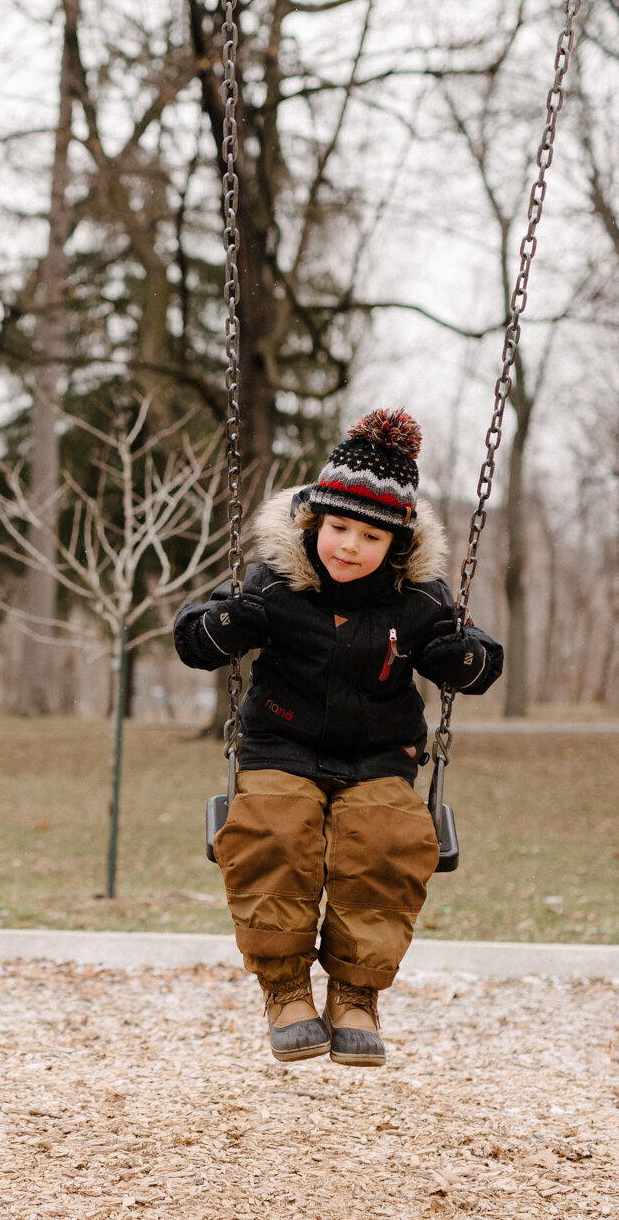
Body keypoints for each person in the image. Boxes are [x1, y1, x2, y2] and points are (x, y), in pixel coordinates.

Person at [174, 409, 501, 1066]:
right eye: (339, 528)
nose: (350, 546)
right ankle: (286, 988)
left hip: (381, 757)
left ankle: (355, 994)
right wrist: (225, 625)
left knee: (387, 842)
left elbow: (485, 663)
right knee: (273, 829)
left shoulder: (421, 599)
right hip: (281, 746)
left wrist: (460, 655)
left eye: (371, 537)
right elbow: (192, 636)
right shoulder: (273, 581)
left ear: (398, 544)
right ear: (313, 521)